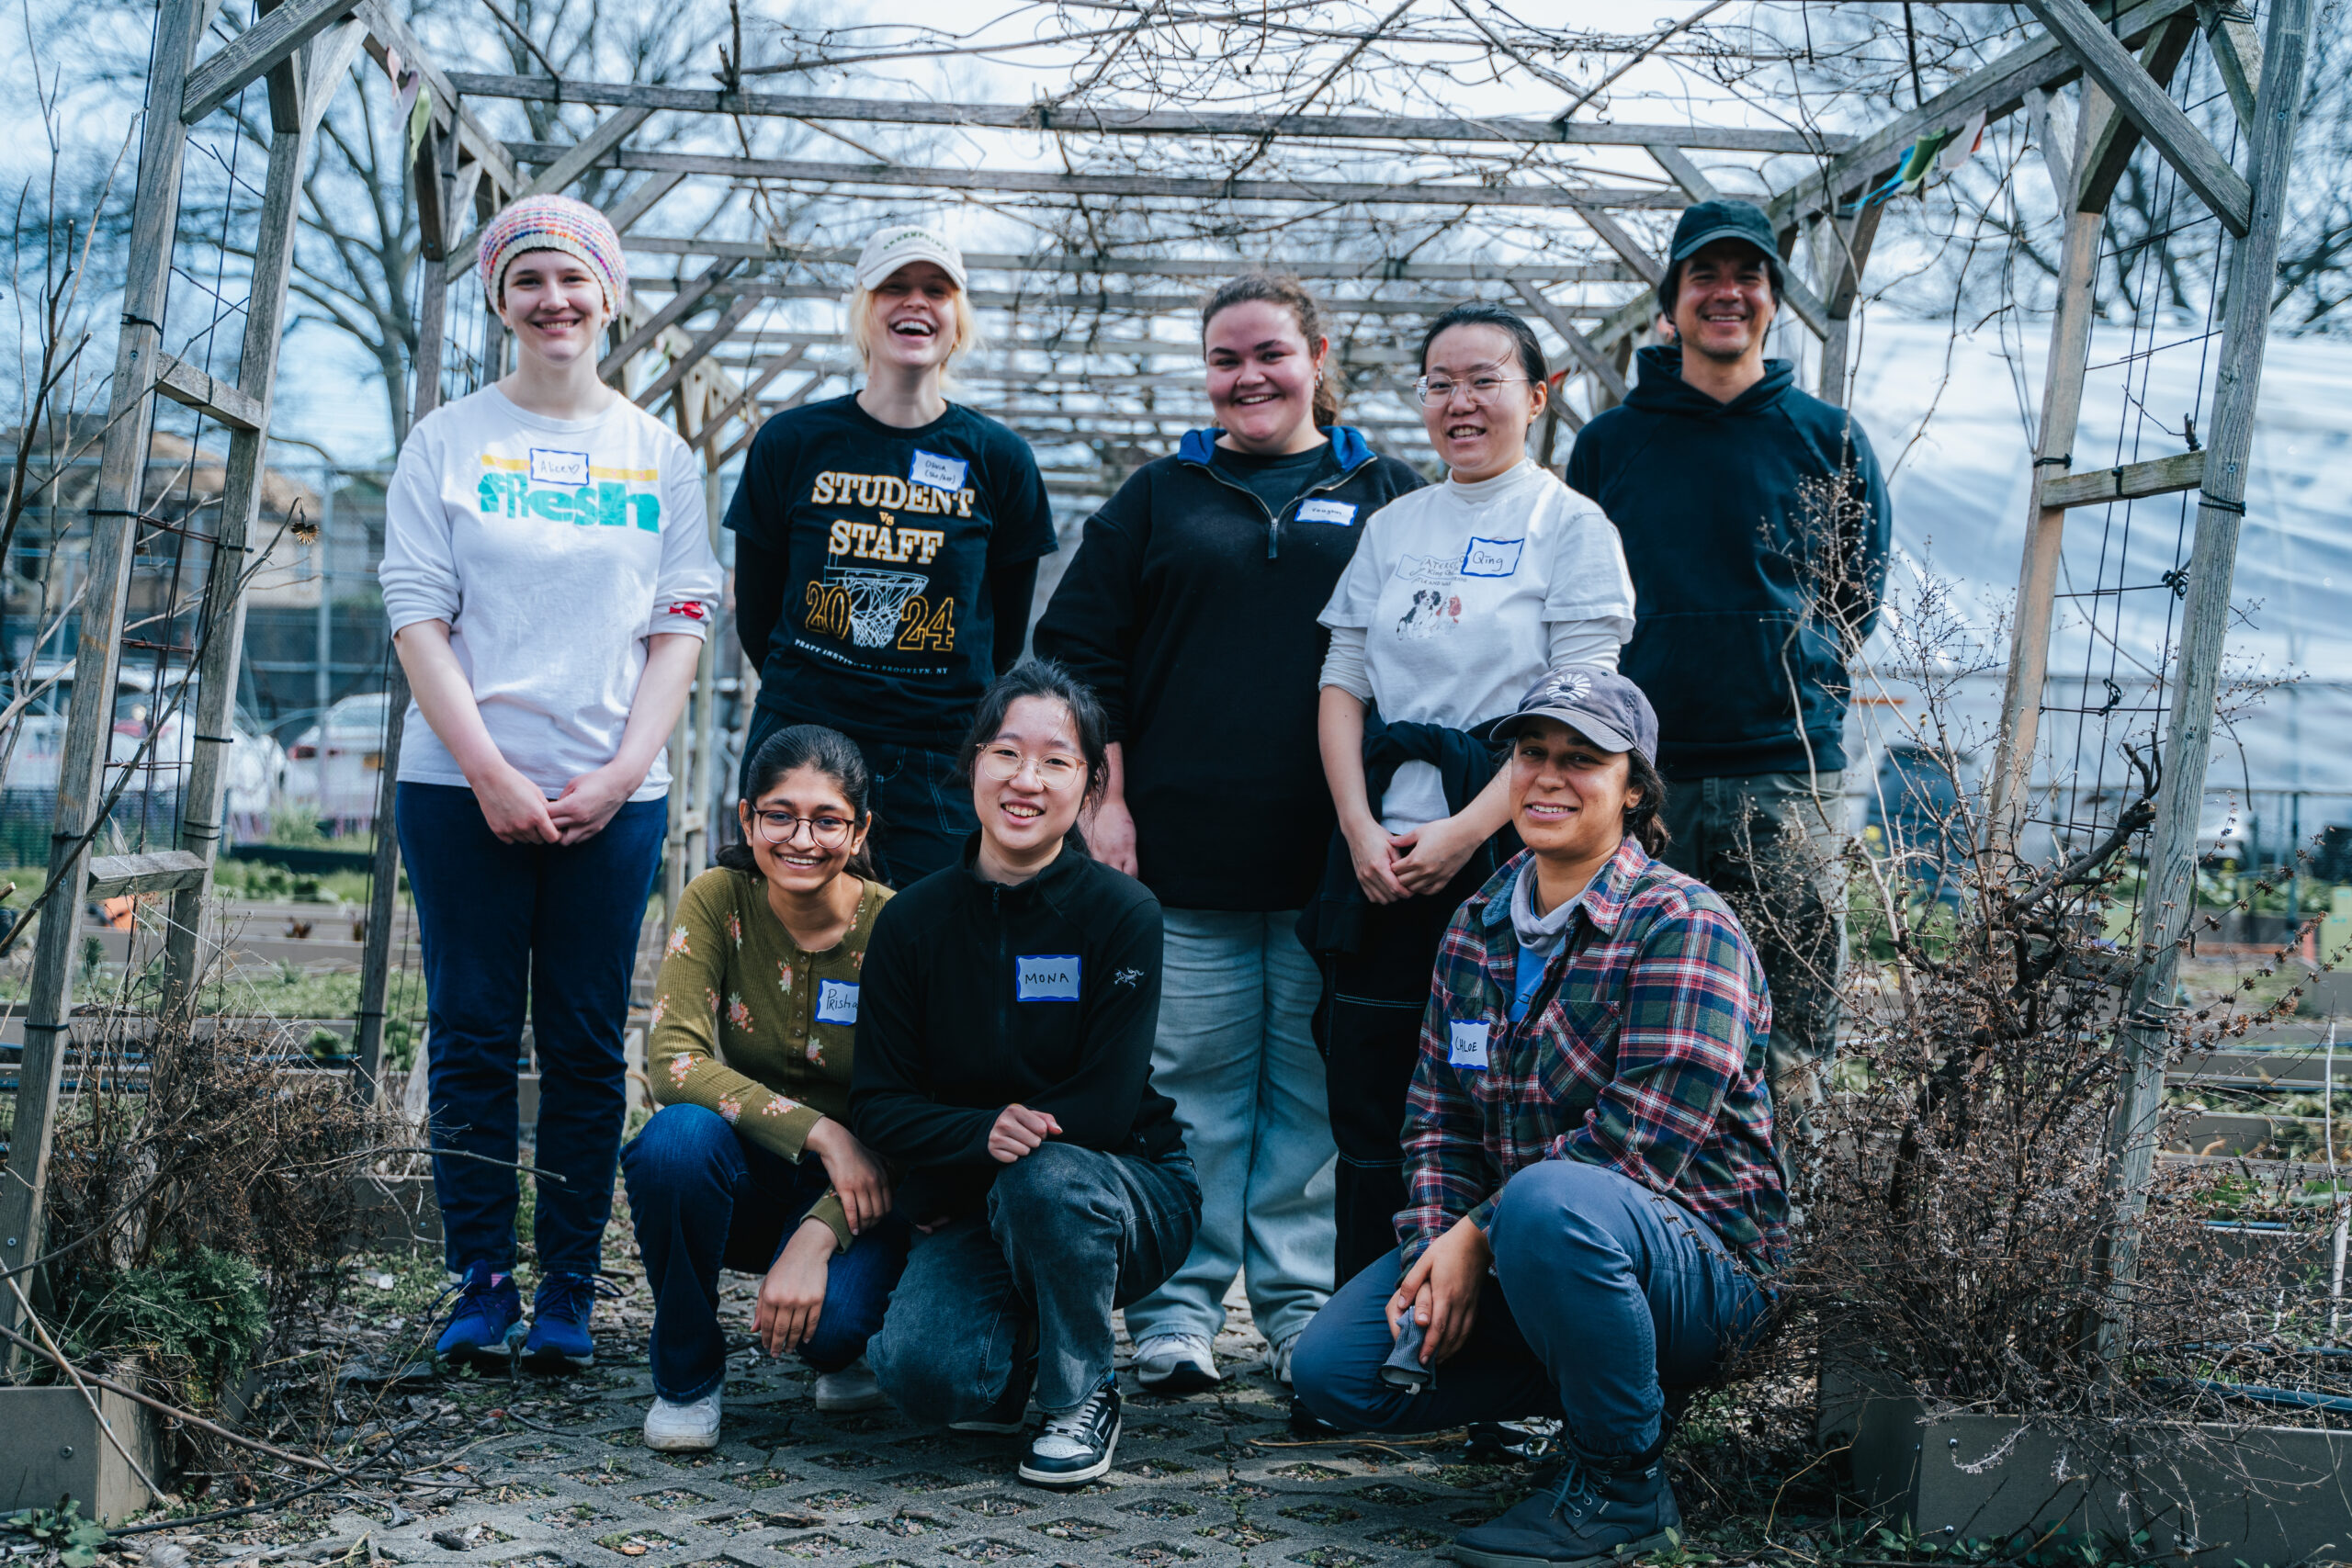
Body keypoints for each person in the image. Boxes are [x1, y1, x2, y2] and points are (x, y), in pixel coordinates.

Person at [1290, 669, 1784, 1568]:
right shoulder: (1477, 922)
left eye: (1582, 760)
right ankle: (1603, 1380)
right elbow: (1435, 1122)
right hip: (1541, 1244)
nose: (1548, 777)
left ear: (1633, 788)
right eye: (1531, 755)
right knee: (1335, 1372)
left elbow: (1636, 1145)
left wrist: (1479, 1236)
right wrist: (1437, 1252)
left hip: (1705, 1272)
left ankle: (1623, 1486)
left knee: (1554, 1197)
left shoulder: (1683, 926)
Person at [1032, 276, 1425, 1393]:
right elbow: (1079, 660)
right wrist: (1105, 800)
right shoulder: (1161, 496)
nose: (1247, 378)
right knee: (1190, 1090)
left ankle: (1302, 1316)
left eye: (1268, 354)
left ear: (1317, 353)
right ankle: (1177, 1316)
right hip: (1182, 865)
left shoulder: (1388, 492)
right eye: (1223, 358)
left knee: (1307, 1099)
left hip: (1335, 866)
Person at [379, 194, 721, 1371]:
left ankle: (569, 1289)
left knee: (583, 1044)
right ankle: (481, 1282)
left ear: (609, 297)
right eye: (527, 280)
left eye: (574, 280)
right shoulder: (448, 441)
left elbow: (681, 623)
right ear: (497, 300)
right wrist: (485, 772)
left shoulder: (657, 452)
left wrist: (626, 768)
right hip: (456, 788)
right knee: (471, 1034)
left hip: (610, 797)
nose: (554, 301)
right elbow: (417, 616)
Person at [1306, 302, 1636, 1285]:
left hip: (1512, 855)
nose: (1461, 402)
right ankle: (1366, 1324)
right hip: (1383, 856)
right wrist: (1361, 826)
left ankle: (1494, 1336)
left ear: (1536, 397)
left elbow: (1583, 714)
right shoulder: (1395, 524)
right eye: (1439, 383)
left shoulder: (1570, 527)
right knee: (1371, 1090)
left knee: (1497, 1090)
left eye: (1485, 380)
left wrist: (1465, 832)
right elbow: (1342, 682)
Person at [1566, 197, 1891, 1124]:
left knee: (1789, 1025)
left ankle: (1781, 1239)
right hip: (1642, 782)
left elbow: (1855, 593)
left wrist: (1795, 670)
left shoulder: (1825, 438)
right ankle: (1640, 1220)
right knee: (1628, 1003)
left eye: (1747, 275)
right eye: (1704, 275)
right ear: (1670, 302)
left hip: (1784, 776)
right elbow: (1581, 602)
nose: (1727, 293)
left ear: (1773, 300)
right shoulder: (1612, 445)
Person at [850, 660, 1200, 1487]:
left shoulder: (1122, 913)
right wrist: (978, 1135)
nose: (1026, 779)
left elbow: (1108, 1107)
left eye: (1057, 760)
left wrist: (990, 1147)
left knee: (1043, 1180)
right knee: (926, 1377)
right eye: (1006, 751)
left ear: (1088, 788)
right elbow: (879, 1102)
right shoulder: (912, 921)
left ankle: (1082, 1392)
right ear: (973, 761)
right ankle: (1042, 1337)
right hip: (982, 1193)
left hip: (1123, 1185)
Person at [726, 223, 1057, 886]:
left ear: (957, 320)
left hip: (939, 757)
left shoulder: (998, 459)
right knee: (787, 949)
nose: (916, 302)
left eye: (936, 289)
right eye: (893, 288)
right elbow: (758, 610)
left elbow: (1002, 630)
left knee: (926, 956)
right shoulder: (793, 442)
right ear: (864, 310)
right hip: (802, 738)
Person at [621, 725, 908, 1450]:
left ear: (861, 828)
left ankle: (842, 1343)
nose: (801, 838)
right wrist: (822, 1132)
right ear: (747, 818)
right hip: (747, 1171)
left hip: (862, 1192)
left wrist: (821, 1232)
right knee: (672, 1141)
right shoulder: (718, 899)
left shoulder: (898, 926)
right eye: (779, 814)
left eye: (827, 819)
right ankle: (686, 1376)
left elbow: (918, 1101)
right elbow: (674, 1063)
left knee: (833, 1330)